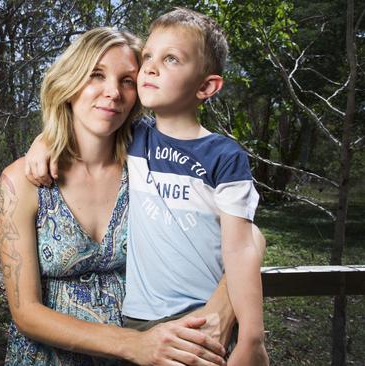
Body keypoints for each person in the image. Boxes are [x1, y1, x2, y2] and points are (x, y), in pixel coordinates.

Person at [24, 8, 269, 366]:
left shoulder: (223, 156)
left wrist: (252, 338)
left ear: (206, 86)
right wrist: (45, 140)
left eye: (170, 59)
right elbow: (84, 123)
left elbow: (243, 244)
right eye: (149, 57)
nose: (150, 68)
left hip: (204, 319)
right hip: (140, 322)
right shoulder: (135, 139)